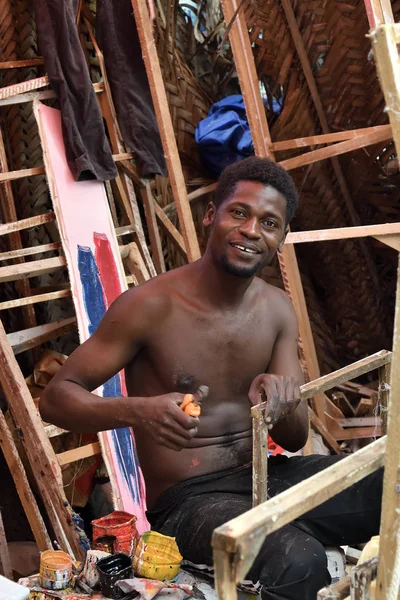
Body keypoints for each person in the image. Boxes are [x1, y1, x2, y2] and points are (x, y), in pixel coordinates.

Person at [40, 157, 382, 599]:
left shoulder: (277, 309)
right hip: (188, 503)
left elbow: (295, 439)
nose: (252, 230)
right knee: (299, 560)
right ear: (211, 215)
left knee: (389, 482)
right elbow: (55, 399)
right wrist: (139, 411)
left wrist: (283, 403)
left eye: (269, 222)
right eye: (238, 212)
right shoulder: (150, 306)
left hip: (263, 476)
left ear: (281, 237)